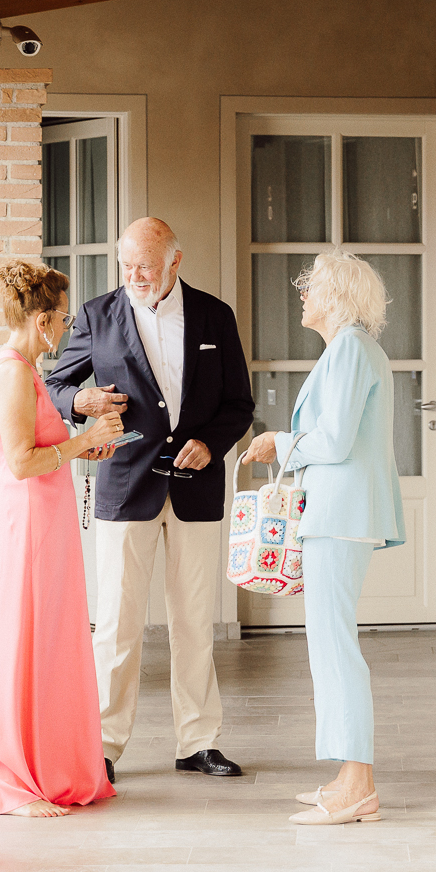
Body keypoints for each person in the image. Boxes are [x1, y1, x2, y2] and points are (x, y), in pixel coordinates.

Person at [45, 218, 256, 782]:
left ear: (174, 262)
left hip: (195, 489)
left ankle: (198, 742)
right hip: (124, 487)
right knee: (116, 625)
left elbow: (239, 403)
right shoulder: (96, 315)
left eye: (146, 264)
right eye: (127, 264)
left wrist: (211, 446)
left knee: (193, 623)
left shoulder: (215, 316)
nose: (135, 275)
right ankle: (105, 747)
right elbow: (53, 387)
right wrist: (81, 399)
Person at [239, 251, 406, 826]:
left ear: (336, 297)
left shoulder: (352, 349)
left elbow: (332, 441)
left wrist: (279, 444)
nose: (303, 298)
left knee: (335, 647)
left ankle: (358, 783)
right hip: (338, 514)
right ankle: (347, 775)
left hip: (339, 517)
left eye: (311, 289)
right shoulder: (351, 350)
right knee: (329, 646)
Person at [0, 262, 124, 818]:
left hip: (44, 525)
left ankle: (45, 763)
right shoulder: (10, 373)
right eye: (61, 317)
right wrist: (86, 440)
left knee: (46, 641)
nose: (67, 326)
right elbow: (23, 462)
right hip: (26, 525)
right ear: (40, 318)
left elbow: (44, 448)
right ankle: (12, 778)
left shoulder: (26, 370)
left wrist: (88, 446)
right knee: (21, 641)